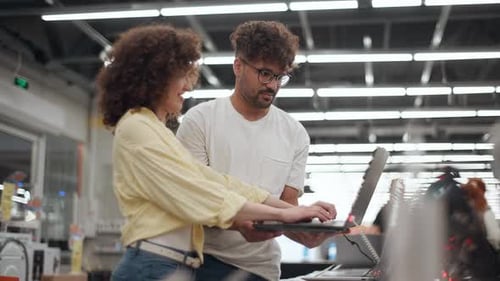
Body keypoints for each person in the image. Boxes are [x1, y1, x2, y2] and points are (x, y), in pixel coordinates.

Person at [96, 24, 336, 281]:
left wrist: (297, 215)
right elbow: (199, 193)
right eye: (181, 76)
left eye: (279, 77)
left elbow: (218, 182)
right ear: (155, 78)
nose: (188, 87)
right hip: (162, 264)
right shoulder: (138, 127)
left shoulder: (156, 129)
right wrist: (281, 214)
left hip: (176, 263)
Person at [177, 21, 336, 281]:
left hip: (263, 268)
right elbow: (194, 199)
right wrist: (241, 222)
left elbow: (287, 209)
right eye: (264, 73)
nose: (272, 85)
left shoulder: (295, 134)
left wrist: (307, 232)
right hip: (204, 264)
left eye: (279, 77)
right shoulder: (200, 120)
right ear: (238, 66)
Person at [462, 178, 500, 251]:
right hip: (481, 255)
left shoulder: (460, 210)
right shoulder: (485, 211)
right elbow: (495, 236)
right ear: (483, 192)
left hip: (460, 256)